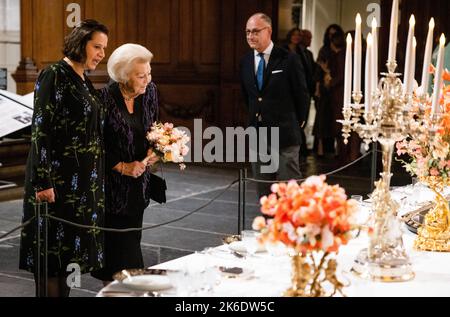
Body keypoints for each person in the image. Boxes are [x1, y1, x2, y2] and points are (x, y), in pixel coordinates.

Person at [19, 20, 109, 297]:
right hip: (55, 187)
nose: (101, 53)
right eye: (97, 46)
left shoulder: (82, 78)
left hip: (81, 189)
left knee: (69, 262)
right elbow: (41, 131)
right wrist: (43, 182)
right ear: (80, 43)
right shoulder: (54, 75)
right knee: (51, 263)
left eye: (104, 48)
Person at [90, 44, 160, 284]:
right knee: (119, 257)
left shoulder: (150, 92)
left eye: (149, 73)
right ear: (123, 76)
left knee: (130, 246)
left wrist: (156, 150)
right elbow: (93, 145)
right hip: (111, 190)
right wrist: (121, 166)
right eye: (141, 76)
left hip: (138, 188)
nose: (147, 80)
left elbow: (153, 129)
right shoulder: (102, 100)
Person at [240, 13, 309, 198]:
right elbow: (248, 97)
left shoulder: (288, 59)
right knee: (264, 191)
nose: (250, 36)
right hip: (258, 135)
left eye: (255, 31)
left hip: (285, 134)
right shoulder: (245, 61)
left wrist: (299, 123)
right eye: (247, 32)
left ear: (268, 31)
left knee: (289, 189)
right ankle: (269, 226)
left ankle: (294, 227)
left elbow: (302, 94)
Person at [313, 24, 344, 158]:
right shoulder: (324, 50)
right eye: (330, 34)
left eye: (335, 34)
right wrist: (318, 89)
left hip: (339, 89)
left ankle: (338, 149)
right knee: (322, 118)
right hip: (326, 90)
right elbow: (318, 72)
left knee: (337, 119)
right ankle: (320, 149)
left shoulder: (344, 50)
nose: (332, 37)